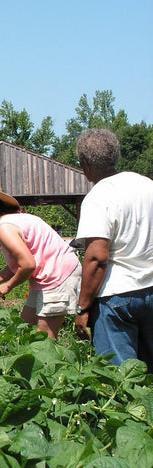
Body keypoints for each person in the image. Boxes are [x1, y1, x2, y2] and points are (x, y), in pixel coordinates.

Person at [0, 182, 81, 339]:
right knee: (24, 328)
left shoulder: (5, 228)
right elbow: (17, 265)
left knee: (44, 340)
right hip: (48, 275)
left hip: (57, 275)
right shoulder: (10, 222)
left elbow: (27, 265)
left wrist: (9, 285)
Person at [74, 128, 153, 372]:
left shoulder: (99, 196)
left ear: (85, 165)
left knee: (120, 380)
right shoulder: (147, 185)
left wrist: (82, 307)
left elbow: (97, 258)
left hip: (117, 297)